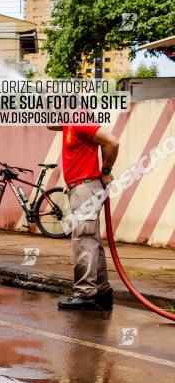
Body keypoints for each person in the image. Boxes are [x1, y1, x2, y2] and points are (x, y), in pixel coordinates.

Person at [48, 124, 119, 310]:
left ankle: (85, 293)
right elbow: (50, 124)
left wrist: (106, 171)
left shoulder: (78, 118)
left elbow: (112, 142)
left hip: (85, 188)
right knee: (91, 242)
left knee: (83, 240)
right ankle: (101, 292)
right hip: (81, 188)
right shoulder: (68, 123)